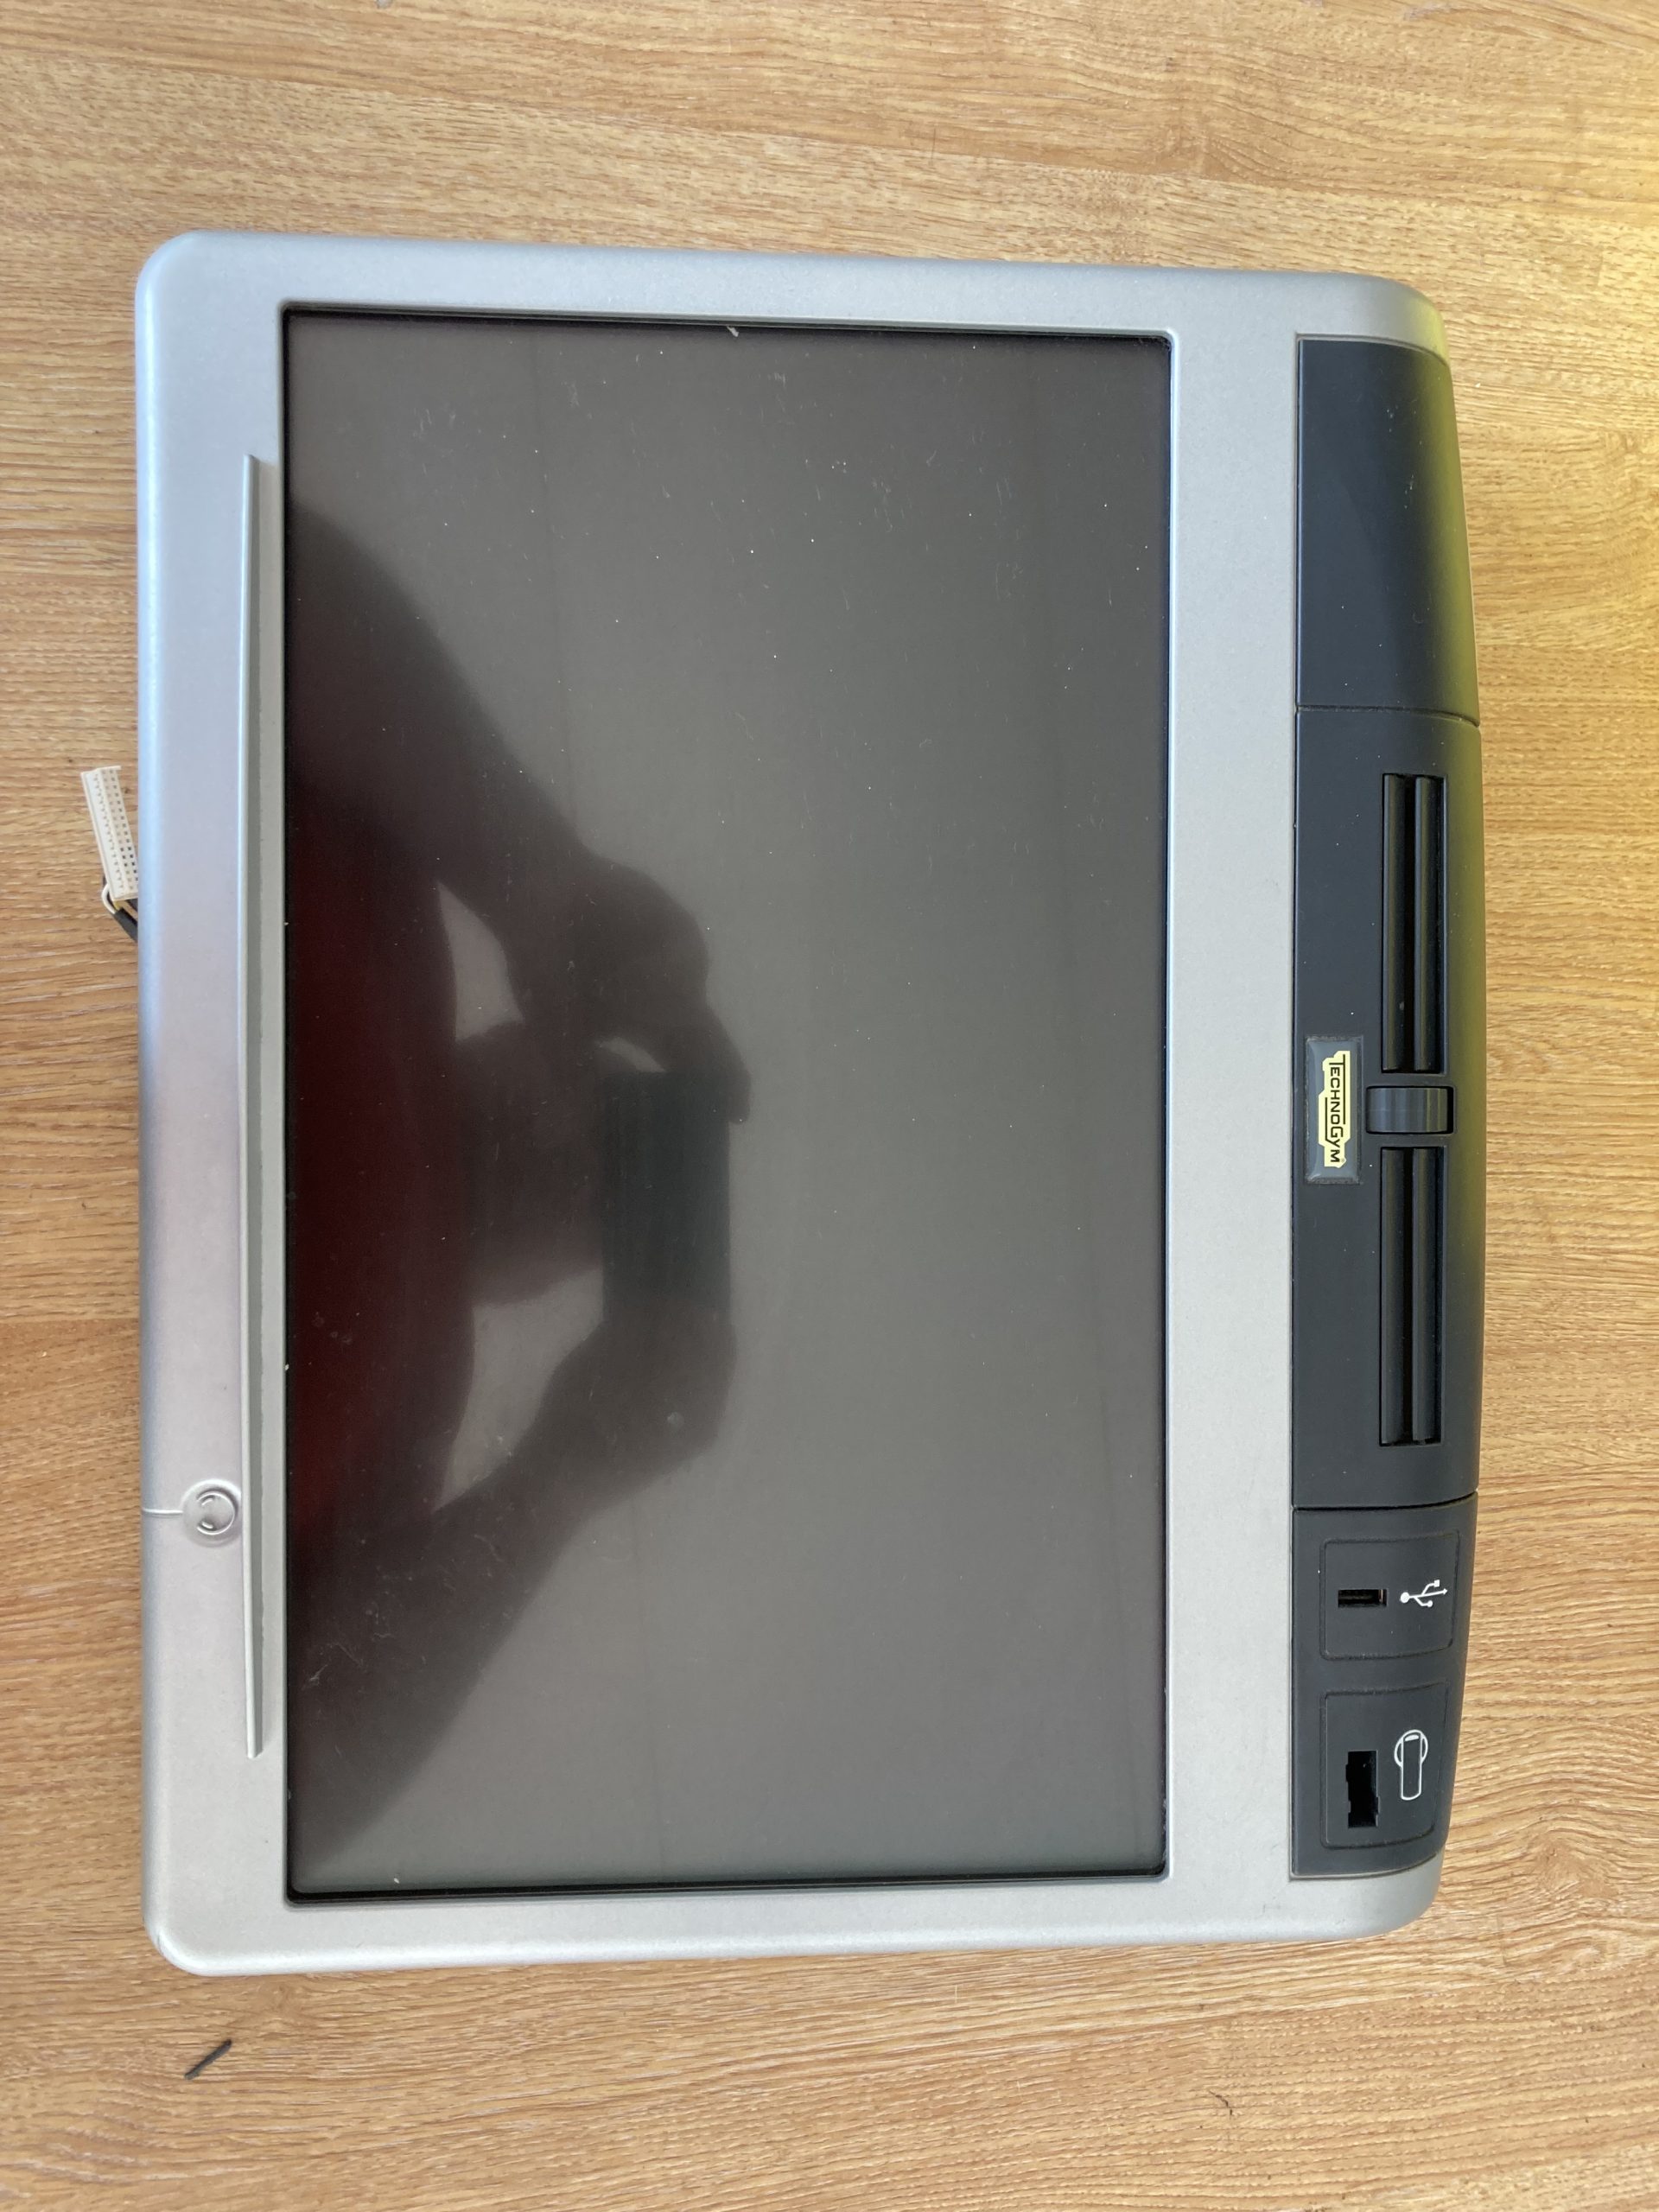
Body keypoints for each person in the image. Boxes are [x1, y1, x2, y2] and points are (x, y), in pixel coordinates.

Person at [283, 510, 748, 1877]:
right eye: (620, 1113)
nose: (592, 1173)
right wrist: (532, 867)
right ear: (514, 1035)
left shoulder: (406, 1436)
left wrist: (554, 1484)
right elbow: (246, 567)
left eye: (631, 1208)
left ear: (539, 1294)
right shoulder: (390, 898)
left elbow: (282, 1802)